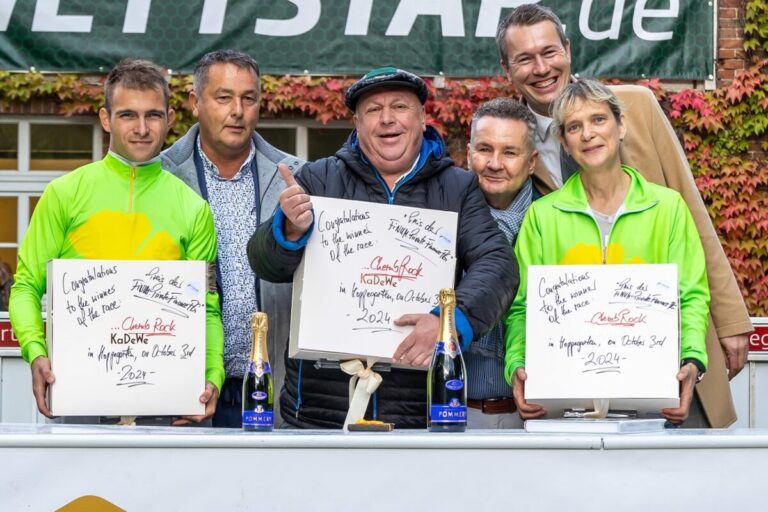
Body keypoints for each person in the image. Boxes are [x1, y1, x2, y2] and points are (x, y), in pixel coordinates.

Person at [496, 3, 752, 428]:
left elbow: (691, 208)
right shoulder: (510, 138)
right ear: (507, 69)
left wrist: (730, 318)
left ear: (568, 50)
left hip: (662, 343)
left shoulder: (636, 106)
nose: (541, 68)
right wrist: (518, 359)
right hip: (572, 358)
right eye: (524, 58)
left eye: (549, 52)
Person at [248, 67, 517, 429]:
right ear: (357, 124)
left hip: (416, 411)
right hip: (320, 409)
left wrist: (449, 323)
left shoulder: (458, 187)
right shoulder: (317, 179)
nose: (387, 119)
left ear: (422, 118)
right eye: (373, 110)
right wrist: (288, 229)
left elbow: (498, 264)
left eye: (400, 107)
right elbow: (264, 264)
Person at [9, 59, 224, 424]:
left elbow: (207, 307)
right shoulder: (63, 194)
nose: (141, 129)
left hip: (167, 405)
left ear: (170, 119)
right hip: (78, 399)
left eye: (153, 116)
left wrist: (212, 374)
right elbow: (26, 285)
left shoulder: (193, 208)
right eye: (127, 115)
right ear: (106, 119)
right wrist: (35, 351)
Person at [506, 79, 710, 425]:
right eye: (574, 127)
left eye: (598, 119)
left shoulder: (668, 208)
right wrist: (516, 364)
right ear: (564, 142)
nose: (588, 134)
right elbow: (523, 306)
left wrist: (692, 360)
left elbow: (691, 296)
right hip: (565, 404)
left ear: (621, 126)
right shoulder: (542, 216)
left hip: (650, 402)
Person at [162, 50, 302, 428]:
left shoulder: (295, 179)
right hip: (188, 389)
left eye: (248, 98)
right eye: (223, 97)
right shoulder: (160, 176)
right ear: (195, 102)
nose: (237, 111)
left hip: (273, 384)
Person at [464, 98, 541, 429]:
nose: (495, 164)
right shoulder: (444, 213)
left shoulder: (554, 221)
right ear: (469, 154)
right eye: (485, 149)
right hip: (452, 410)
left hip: (534, 415)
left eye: (509, 152)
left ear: (532, 161)